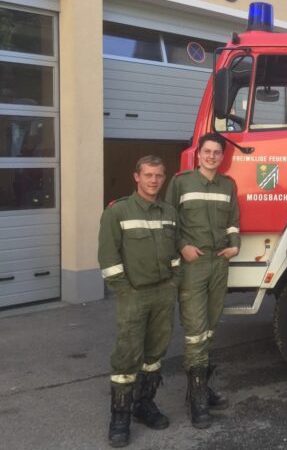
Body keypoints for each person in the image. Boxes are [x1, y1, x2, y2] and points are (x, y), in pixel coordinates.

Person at [98, 155, 180, 447]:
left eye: (159, 175)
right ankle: (119, 417)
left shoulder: (169, 212)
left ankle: (144, 406)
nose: (154, 180)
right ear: (137, 177)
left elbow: (175, 250)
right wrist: (124, 290)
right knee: (127, 356)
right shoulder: (118, 212)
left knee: (155, 353)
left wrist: (174, 281)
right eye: (148, 175)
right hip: (134, 294)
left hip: (163, 293)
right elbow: (108, 257)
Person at [164, 132, 240, 428]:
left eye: (216, 153)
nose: (211, 156)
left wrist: (235, 244)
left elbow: (233, 219)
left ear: (222, 157)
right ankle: (197, 400)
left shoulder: (228, 185)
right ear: (198, 154)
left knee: (209, 328)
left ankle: (201, 387)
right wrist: (182, 245)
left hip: (219, 263)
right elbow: (170, 220)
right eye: (206, 152)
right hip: (193, 265)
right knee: (195, 331)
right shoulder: (181, 182)